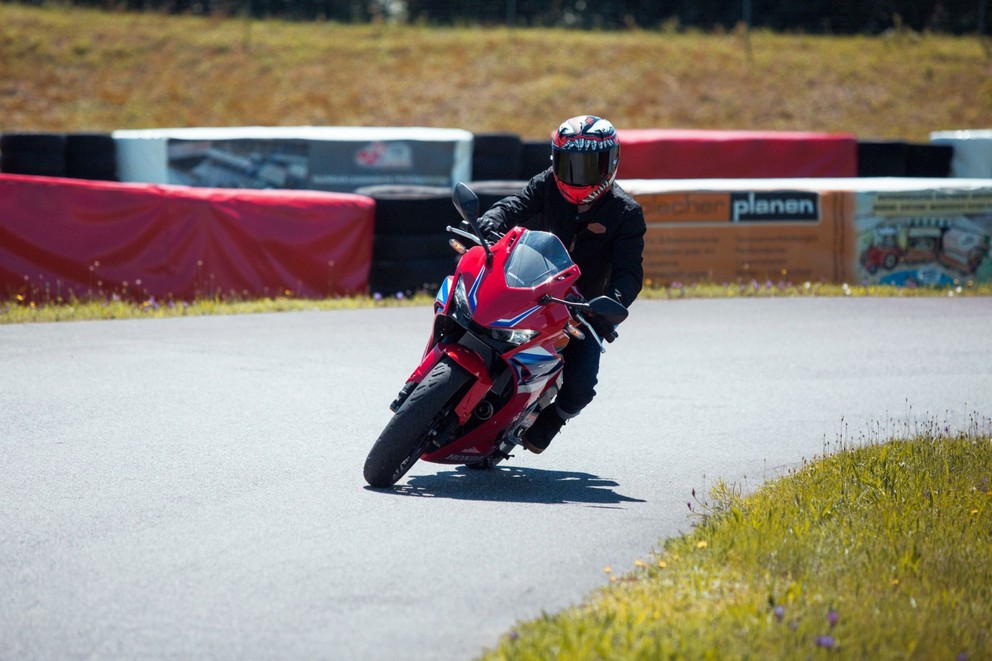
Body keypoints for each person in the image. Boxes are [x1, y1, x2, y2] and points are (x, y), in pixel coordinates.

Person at [477, 115, 646, 454]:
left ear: (610, 164)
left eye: (589, 165)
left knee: (582, 386)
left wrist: (610, 304)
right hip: (529, 283)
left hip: (580, 307)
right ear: (555, 161)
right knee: (473, 312)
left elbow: (629, 274)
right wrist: (493, 218)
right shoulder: (547, 184)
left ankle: (551, 420)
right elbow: (516, 204)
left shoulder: (626, 212)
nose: (577, 175)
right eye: (570, 164)